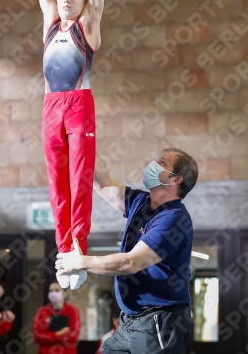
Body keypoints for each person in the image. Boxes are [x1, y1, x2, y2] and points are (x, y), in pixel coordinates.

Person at [17, 0, 116, 290]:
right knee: (57, 183)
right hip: (50, 108)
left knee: (79, 178)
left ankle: (79, 247)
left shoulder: (88, 25)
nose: (66, 0)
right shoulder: (50, 20)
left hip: (78, 105)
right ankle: (64, 252)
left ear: (84, 0)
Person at [56, 148, 199, 353]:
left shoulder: (173, 219)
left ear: (176, 180)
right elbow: (102, 182)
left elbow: (131, 263)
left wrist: (80, 262)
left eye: (162, 162)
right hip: (129, 321)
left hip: (159, 321)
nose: (152, 163)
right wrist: (82, 142)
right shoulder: (141, 203)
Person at [33, 280, 81, 354]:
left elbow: (74, 336)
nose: (53, 293)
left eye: (57, 290)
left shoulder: (73, 311)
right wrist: (58, 333)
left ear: (65, 294)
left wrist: (50, 336)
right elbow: (37, 336)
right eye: (51, 291)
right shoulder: (42, 312)